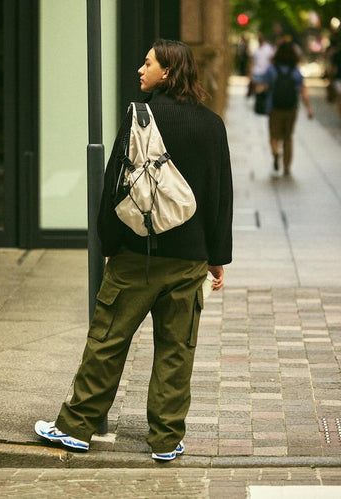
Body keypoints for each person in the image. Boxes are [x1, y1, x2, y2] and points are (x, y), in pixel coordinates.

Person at [35, 39, 233, 461]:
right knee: (176, 352)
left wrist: (110, 243)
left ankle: (75, 428)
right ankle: (165, 440)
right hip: (188, 260)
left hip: (137, 258)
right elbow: (220, 197)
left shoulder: (140, 117)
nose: (139, 70)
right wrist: (216, 257)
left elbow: (115, 184)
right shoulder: (212, 125)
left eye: (148, 63)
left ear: (168, 72)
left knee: (107, 341)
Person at [262, 41, 313, 175]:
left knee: (273, 134)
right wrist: (308, 108)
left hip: (274, 107)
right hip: (291, 107)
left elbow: (264, 84)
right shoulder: (295, 70)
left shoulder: (272, 69)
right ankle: (286, 166)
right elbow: (303, 90)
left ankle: (275, 152)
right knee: (288, 136)